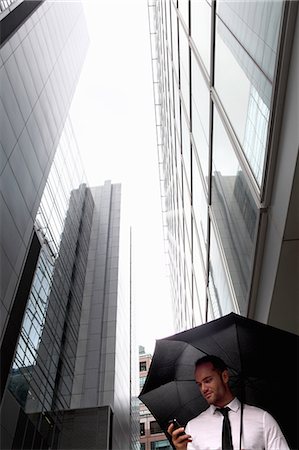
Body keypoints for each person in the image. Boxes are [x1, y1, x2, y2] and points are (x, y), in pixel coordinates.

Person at [167, 355, 289, 450]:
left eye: (208, 380)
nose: (203, 388)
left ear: (225, 376)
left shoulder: (262, 419)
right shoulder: (193, 428)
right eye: (199, 384)